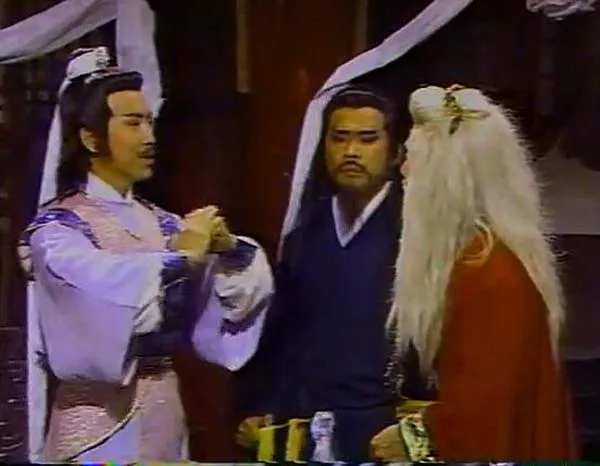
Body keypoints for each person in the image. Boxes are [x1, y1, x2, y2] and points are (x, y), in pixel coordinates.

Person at [18, 47, 273, 463]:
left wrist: (228, 251)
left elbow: (226, 309)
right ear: (90, 137)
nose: (149, 138)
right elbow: (97, 291)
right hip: (96, 425)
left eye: (150, 122)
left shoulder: (164, 224)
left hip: (164, 413)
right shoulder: (59, 230)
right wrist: (179, 260)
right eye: (133, 123)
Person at [370, 84, 577, 462]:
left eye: (412, 157)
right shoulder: (480, 261)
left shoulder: (489, 273)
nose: (403, 170)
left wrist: (417, 437)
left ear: (442, 179)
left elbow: (488, 412)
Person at [235, 86, 427, 462]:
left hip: (383, 424)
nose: (351, 151)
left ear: (396, 151)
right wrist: (260, 403)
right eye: (339, 138)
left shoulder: (416, 230)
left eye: (367, 139)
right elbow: (279, 332)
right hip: (302, 419)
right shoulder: (306, 231)